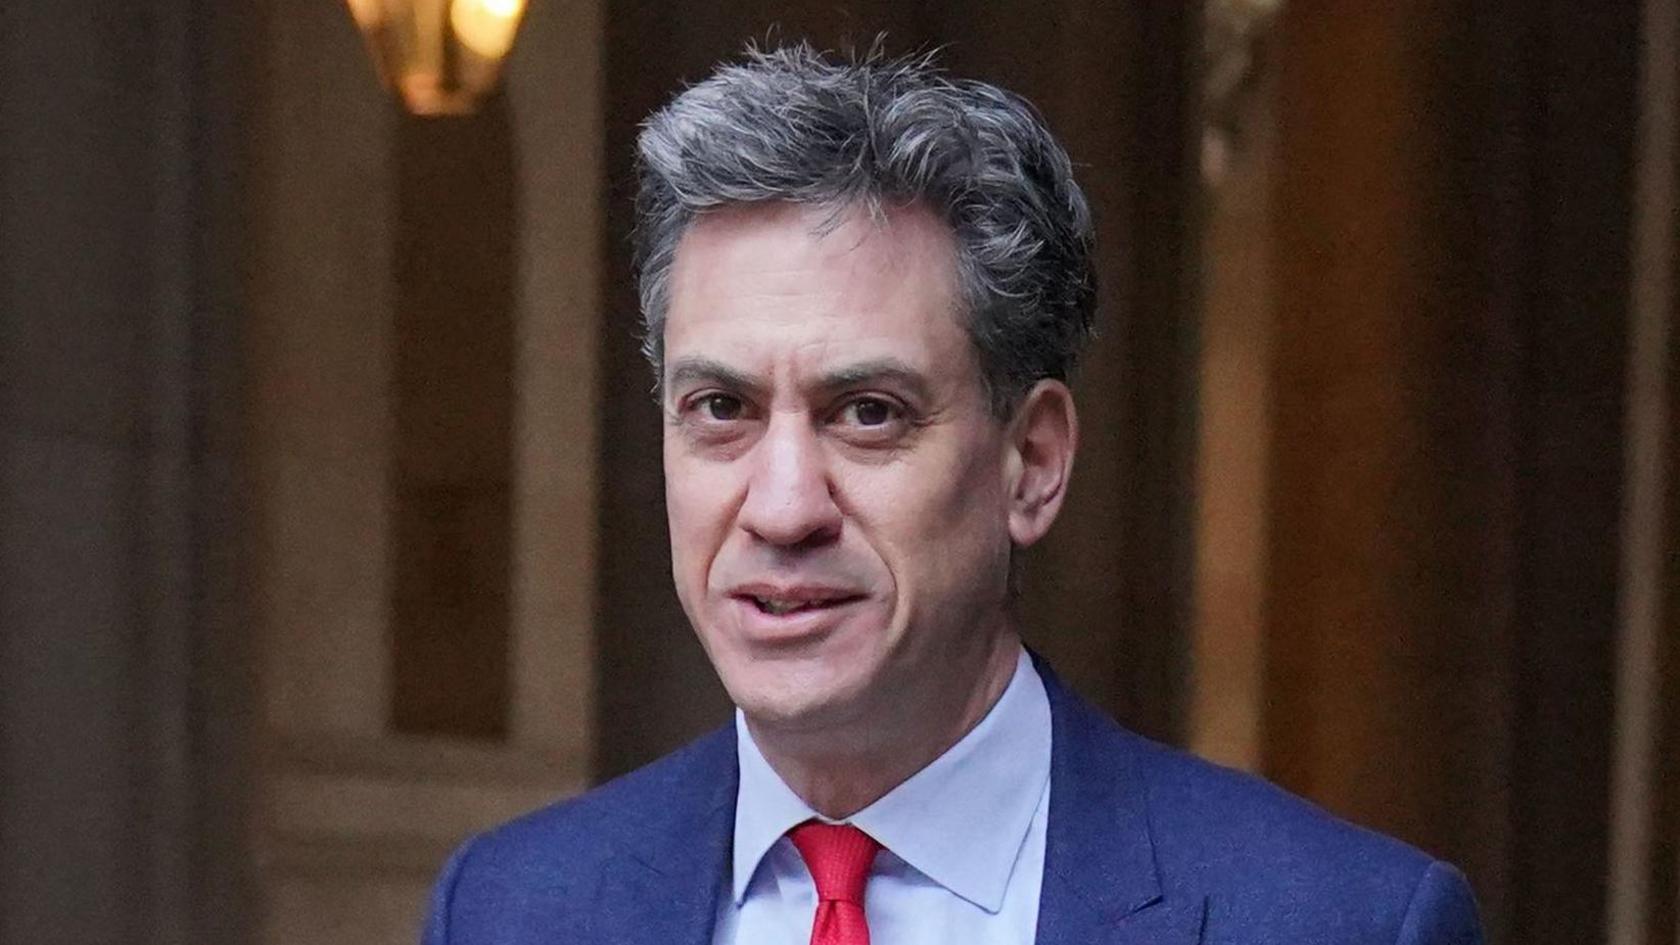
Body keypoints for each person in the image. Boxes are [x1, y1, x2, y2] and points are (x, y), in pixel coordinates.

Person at [420, 43, 1484, 945]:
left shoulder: (1341, 920)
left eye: (868, 412)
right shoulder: (511, 910)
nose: (783, 507)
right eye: (721, 410)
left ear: (1034, 462)